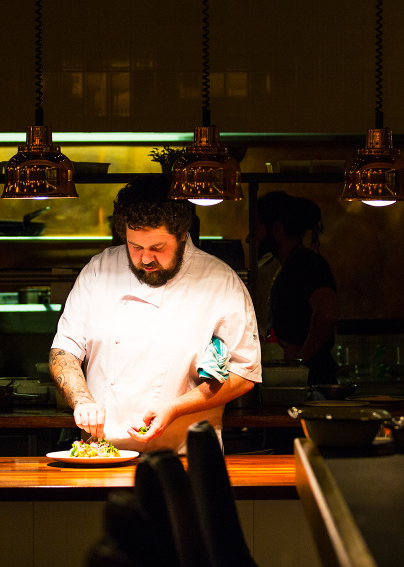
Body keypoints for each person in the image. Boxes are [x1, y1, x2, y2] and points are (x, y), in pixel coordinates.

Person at [49, 174, 261, 454]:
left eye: (157, 248)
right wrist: (82, 401)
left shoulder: (220, 281)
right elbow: (64, 350)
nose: (145, 258)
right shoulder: (99, 270)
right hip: (103, 455)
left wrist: (175, 407)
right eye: (135, 247)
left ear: (182, 235)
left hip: (185, 457)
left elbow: (244, 373)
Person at [255, 191, 340, 385]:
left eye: (256, 228)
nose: (249, 238)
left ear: (277, 229)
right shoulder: (291, 265)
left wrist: (300, 360)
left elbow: (328, 312)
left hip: (314, 386)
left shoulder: (307, 264)